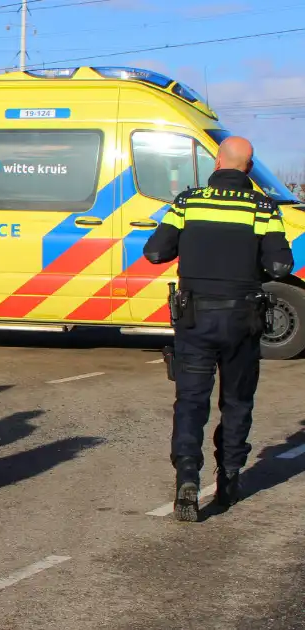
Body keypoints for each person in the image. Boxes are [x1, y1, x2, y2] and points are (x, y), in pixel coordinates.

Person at [143, 135, 293, 523]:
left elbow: (156, 252)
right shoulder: (263, 207)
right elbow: (280, 268)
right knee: (237, 402)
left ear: (217, 163)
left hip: (194, 319)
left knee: (191, 402)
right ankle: (228, 480)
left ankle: (186, 480)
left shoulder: (188, 203)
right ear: (248, 166)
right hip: (243, 320)